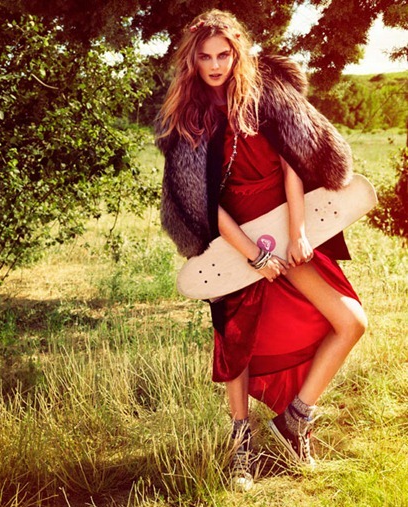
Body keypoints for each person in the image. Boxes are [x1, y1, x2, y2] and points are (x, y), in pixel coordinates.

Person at [155, 9, 367, 491]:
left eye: (223, 55)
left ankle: (295, 421)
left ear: (237, 53)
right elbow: (202, 204)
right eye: (205, 57)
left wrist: (297, 233)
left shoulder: (266, 95)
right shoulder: (187, 120)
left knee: (351, 321)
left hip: (285, 225)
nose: (215, 65)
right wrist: (252, 255)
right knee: (237, 343)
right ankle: (240, 446)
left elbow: (294, 164)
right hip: (231, 240)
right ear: (192, 60)